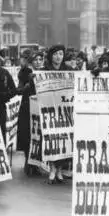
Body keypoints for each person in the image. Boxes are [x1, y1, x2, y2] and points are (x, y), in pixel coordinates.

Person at [43, 44, 67, 184]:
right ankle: (52, 168)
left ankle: (59, 169)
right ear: (51, 56)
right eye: (56, 54)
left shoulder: (69, 70)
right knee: (52, 139)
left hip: (64, 110)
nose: (58, 57)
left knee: (64, 139)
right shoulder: (44, 70)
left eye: (61, 54)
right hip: (50, 110)